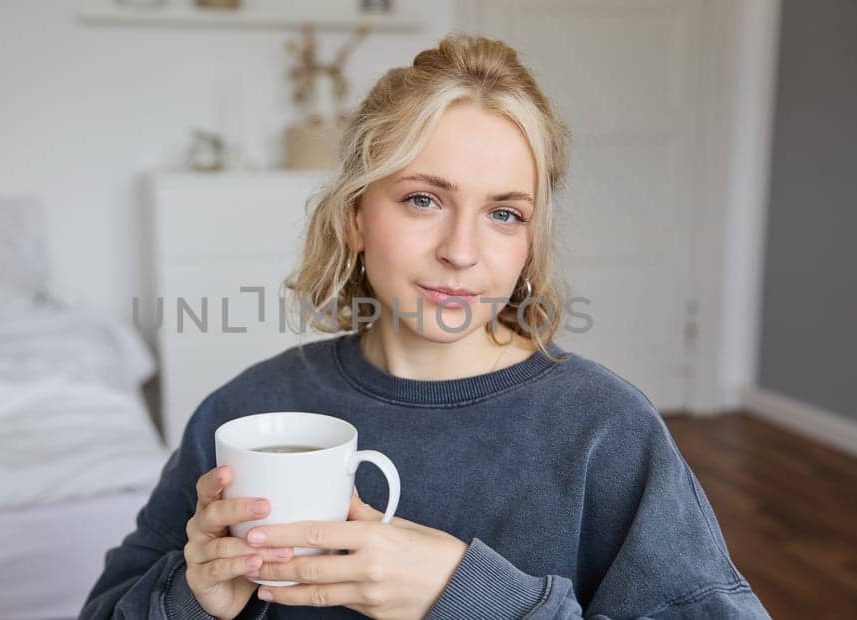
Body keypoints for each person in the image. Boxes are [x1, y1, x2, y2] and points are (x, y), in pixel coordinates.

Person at [81, 33, 769, 619]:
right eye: (422, 199)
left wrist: (465, 594)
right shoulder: (247, 415)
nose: (461, 251)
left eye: (505, 213)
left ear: (532, 240)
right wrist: (191, 597)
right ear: (354, 216)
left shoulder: (606, 431)